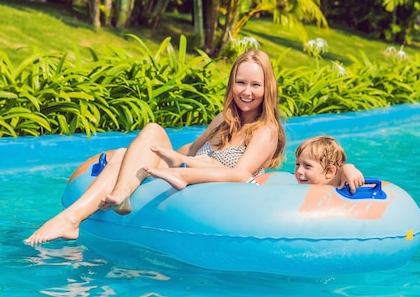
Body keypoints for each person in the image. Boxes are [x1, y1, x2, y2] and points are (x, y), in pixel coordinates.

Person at [25, 49, 286, 244]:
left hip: (209, 190)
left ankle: (80, 214)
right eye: (241, 83)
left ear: (267, 88)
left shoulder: (266, 130)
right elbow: (191, 151)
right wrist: (153, 155)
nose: (247, 92)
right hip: (187, 171)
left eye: (256, 85)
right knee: (139, 143)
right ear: (232, 84)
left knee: (138, 147)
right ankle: (99, 205)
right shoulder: (224, 119)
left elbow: (240, 174)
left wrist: (182, 169)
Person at [294, 136, 364, 193]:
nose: (299, 171)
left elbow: (340, 174)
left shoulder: (330, 184)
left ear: (329, 172)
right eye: (297, 164)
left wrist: (348, 168)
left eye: (307, 166)